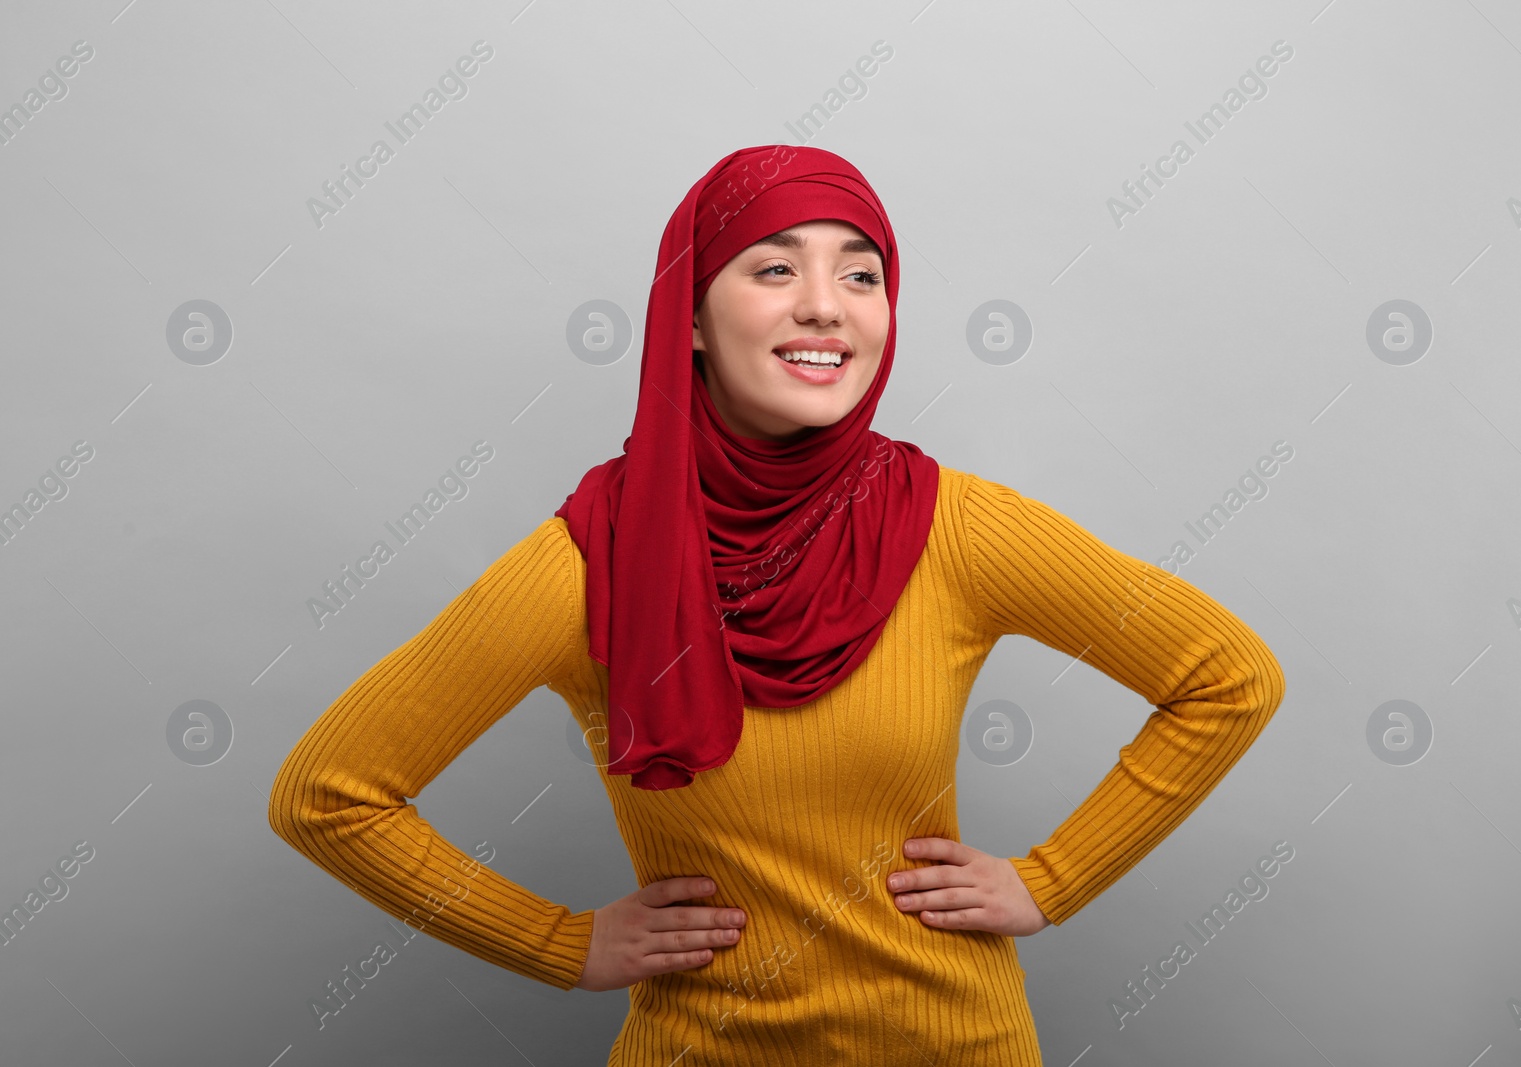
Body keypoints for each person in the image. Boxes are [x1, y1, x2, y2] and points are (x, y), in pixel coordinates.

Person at [268, 144, 1286, 1065]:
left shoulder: (953, 526)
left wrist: (1053, 877)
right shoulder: (592, 559)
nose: (826, 305)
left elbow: (1227, 675)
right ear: (692, 320)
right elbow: (329, 791)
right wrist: (558, 941)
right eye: (773, 268)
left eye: (861, 273)